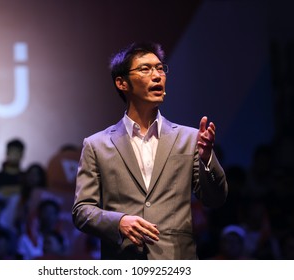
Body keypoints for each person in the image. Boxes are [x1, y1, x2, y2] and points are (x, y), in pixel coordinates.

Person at [72, 42, 228, 260]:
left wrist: (207, 158)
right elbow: (82, 211)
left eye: (160, 68)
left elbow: (215, 199)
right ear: (122, 83)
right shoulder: (96, 145)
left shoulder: (189, 138)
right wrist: (119, 222)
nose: (157, 76)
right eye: (145, 69)